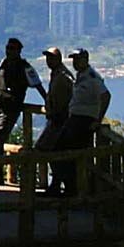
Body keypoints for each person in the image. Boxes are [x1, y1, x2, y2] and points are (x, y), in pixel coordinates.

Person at [0, 37, 43, 185]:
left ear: (19, 51)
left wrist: (48, 101)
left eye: (13, 49)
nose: (9, 51)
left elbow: (37, 84)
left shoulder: (25, 67)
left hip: (10, 111)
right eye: (8, 48)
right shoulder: (3, 62)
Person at [61, 47, 112, 195]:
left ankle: (77, 189)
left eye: (78, 59)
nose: (75, 62)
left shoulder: (92, 77)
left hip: (84, 121)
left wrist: (98, 119)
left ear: (86, 60)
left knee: (75, 155)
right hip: (74, 119)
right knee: (67, 153)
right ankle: (72, 187)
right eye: (73, 60)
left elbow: (106, 96)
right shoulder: (81, 76)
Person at [34, 47, 75, 194]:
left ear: (59, 59)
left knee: (51, 151)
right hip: (55, 120)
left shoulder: (63, 76)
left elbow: (69, 98)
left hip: (60, 121)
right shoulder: (56, 74)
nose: (48, 61)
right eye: (47, 58)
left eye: (51, 58)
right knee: (51, 152)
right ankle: (58, 184)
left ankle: (61, 185)